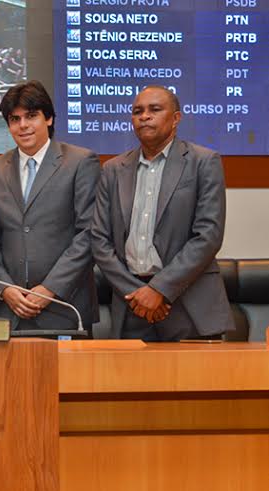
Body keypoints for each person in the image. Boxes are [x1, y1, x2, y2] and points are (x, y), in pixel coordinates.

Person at [92, 85, 235, 341]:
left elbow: (208, 236)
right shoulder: (113, 170)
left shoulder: (204, 162)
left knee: (196, 382)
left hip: (188, 303)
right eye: (138, 111)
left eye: (154, 109)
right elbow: (100, 241)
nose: (144, 116)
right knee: (129, 382)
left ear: (176, 118)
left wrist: (159, 289)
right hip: (131, 304)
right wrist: (138, 293)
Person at [0, 81, 101, 334]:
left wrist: (50, 289)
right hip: (10, 311)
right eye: (15, 119)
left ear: (49, 118)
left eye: (31, 116)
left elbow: (88, 233)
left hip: (64, 306)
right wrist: (5, 289)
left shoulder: (80, 162)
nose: (23, 125)